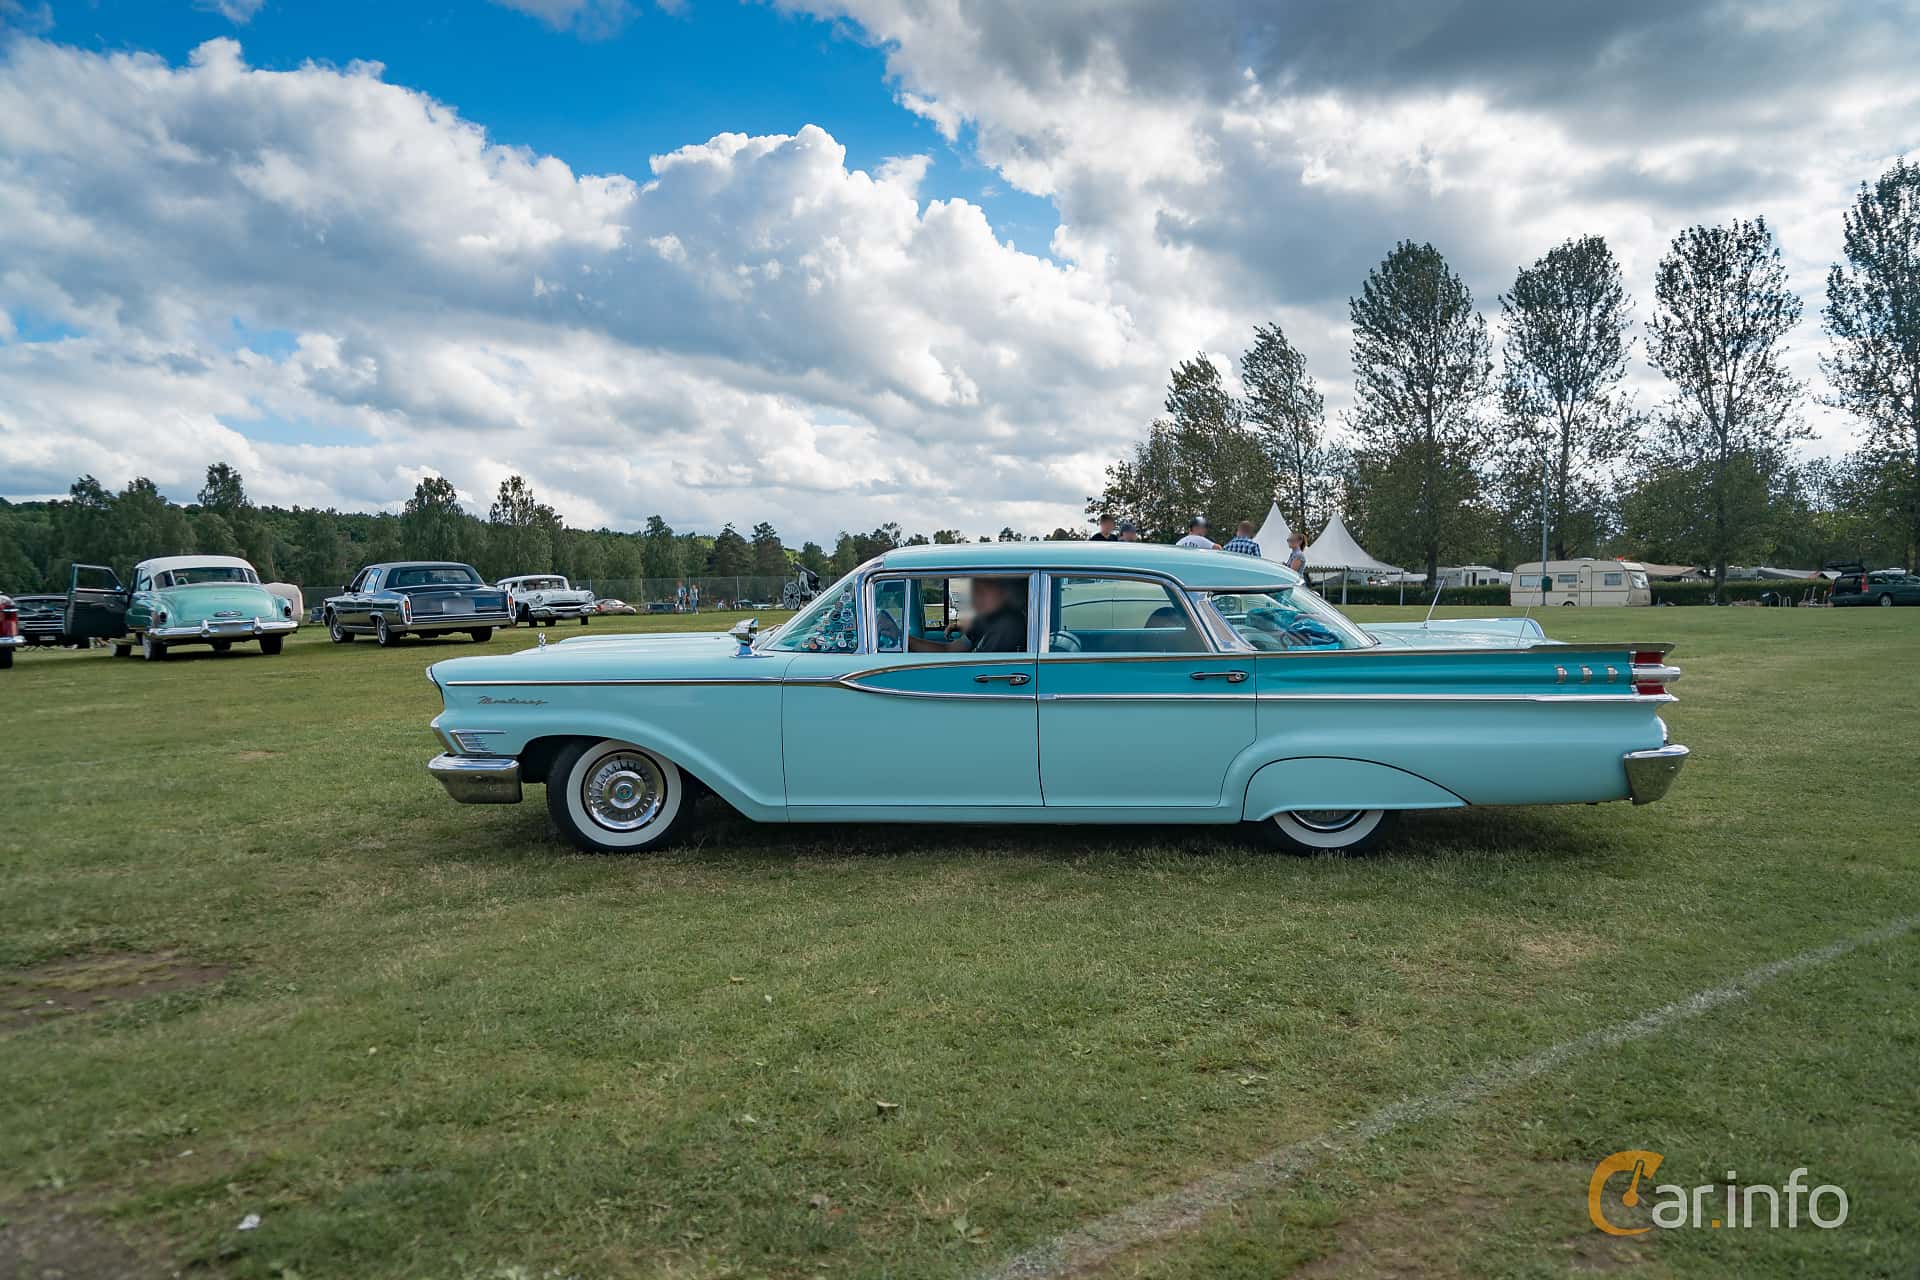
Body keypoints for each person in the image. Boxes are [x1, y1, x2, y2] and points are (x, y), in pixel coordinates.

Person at [908, 576, 1027, 653]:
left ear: (1003, 592)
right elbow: (951, 650)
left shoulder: (1007, 625)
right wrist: (909, 641)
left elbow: (981, 670)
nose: (974, 596)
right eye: (974, 589)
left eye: (983, 590)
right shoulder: (984, 621)